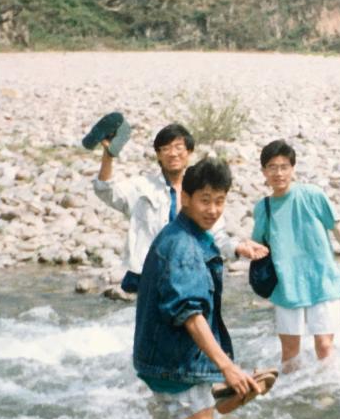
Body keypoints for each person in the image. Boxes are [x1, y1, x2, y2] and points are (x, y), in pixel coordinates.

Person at [133, 158, 264, 419]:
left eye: (220, 201)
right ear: (186, 198)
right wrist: (228, 368)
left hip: (161, 361)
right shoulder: (184, 247)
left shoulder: (185, 234)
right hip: (178, 367)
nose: (213, 209)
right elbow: (190, 315)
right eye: (205, 200)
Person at [90, 120, 265, 295]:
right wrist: (108, 155)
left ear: (189, 152)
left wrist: (238, 247)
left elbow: (216, 237)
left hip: (191, 276)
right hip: (151, 279)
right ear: (158, 155)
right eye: (165, 149)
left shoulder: (201, 192)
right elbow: (105, 190)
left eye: (178, 147)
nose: (173, 153)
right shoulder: (142, 187)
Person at [251, 139, 340, 372]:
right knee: (290, 353)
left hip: (323, 281)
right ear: (264, 172)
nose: (279, 173)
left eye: (284, 167)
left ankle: (327, 391)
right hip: (286, 288)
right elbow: (257, 246)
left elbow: (338, 231)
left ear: (293, 168)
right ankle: (292, 392)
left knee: (324, 346)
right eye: (272, 167)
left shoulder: (313, 195)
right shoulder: (263, 208)